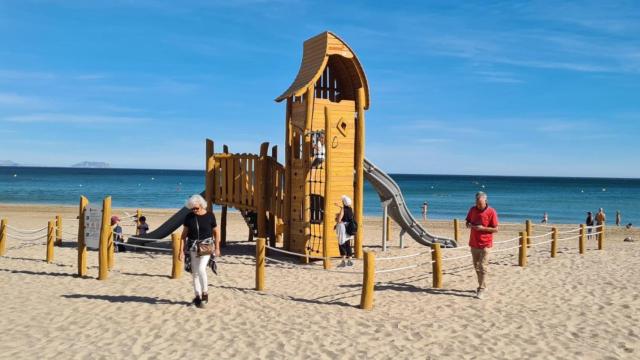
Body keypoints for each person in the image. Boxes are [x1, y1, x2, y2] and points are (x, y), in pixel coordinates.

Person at [180, 194, 220, 308]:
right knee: (194, 272)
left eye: (196, 208)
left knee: (201, 268)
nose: (194, 210)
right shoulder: (189, 217)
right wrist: (181, 251)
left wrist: (217, 247)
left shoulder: (210, 216)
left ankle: (205, 293)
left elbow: (217, 232)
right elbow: (183, 235)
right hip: (192, 246)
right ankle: (197, 296)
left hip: (206, 245)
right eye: (192, 208)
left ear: (201, 205)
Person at [465, 191, 499, 299]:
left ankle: (481, 289)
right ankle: (482, 284)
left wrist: (483, 228)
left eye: (480, 203)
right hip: (474, 243)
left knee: (483, 266)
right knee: (476, 267)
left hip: (486, 244)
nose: (478, 205)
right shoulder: (472, 209)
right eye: (477, 202)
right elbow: (467, 222)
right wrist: (469, 225)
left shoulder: (491, 211)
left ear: (485, 201)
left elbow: (496, 229)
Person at [335, 195, 354, 267]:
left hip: (343, 228)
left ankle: (343, 262)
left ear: (344, 202)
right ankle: (349, 261)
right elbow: (345, 211)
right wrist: (339, 206)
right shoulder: (350, 209)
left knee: (341, 243)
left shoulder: (343, 209)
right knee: (348, 244)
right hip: (349, 228)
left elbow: (339, 220)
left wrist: (337, 217)